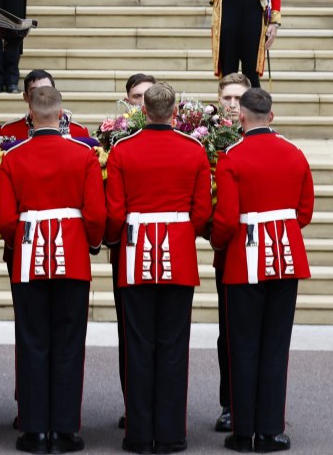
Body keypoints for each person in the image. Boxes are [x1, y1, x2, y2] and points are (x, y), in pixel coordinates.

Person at [0, 86, 105, 454]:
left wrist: (19, 240)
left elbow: (5, 219)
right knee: (69, 345)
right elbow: (95, 214)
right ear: (61, 114)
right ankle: (64, 430)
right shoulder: (83, 154)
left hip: (28, 257)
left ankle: (33, 429)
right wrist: (90, 244)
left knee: (31, 343)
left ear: (31, 111)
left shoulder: (14, 155)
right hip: (72, 255)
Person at [104, 83, 213, 454]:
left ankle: (138, 432)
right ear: (174, 112)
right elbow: (201, 212)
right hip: (178, 251)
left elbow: (116, 212)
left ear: (145, 111)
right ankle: (169, 434)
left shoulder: (123, 150)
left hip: (136, 251)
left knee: (138, 344)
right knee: (172, 345)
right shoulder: (193, 150)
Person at [211, 88, 314, 453]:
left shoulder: (232, 157)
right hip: (285, 258)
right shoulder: (294, 153)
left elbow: (224, 220)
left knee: (242, 345)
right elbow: (304, 212)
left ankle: (243, 432)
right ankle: (270, 431)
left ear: (241, 117)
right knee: (274, 346)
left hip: (244, 259)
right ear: (271, 116)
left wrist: (218, 243)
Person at [108, 71, 158, 431]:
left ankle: (164, 407)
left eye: (147, 96)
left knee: (167, 335)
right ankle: (135, 406)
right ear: (127, 101)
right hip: (128, 248)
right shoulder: (114, 138)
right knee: (132, 334)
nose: (141, 103)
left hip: (167, 246)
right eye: (136, 97)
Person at [211, 71, 251, 433]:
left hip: (253, 245)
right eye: (228, 99)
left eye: (239, 99)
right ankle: (229, 403)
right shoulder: (205, 138)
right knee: (227, 332)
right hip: (226, 250)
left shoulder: (254, 140)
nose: (233, 105)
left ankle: (253, 402)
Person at [0, 70, 89, 148]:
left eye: (47, 90)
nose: (41, 95)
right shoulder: (7, 131)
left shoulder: (79, 131)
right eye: (34, 91)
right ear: (25, 97)